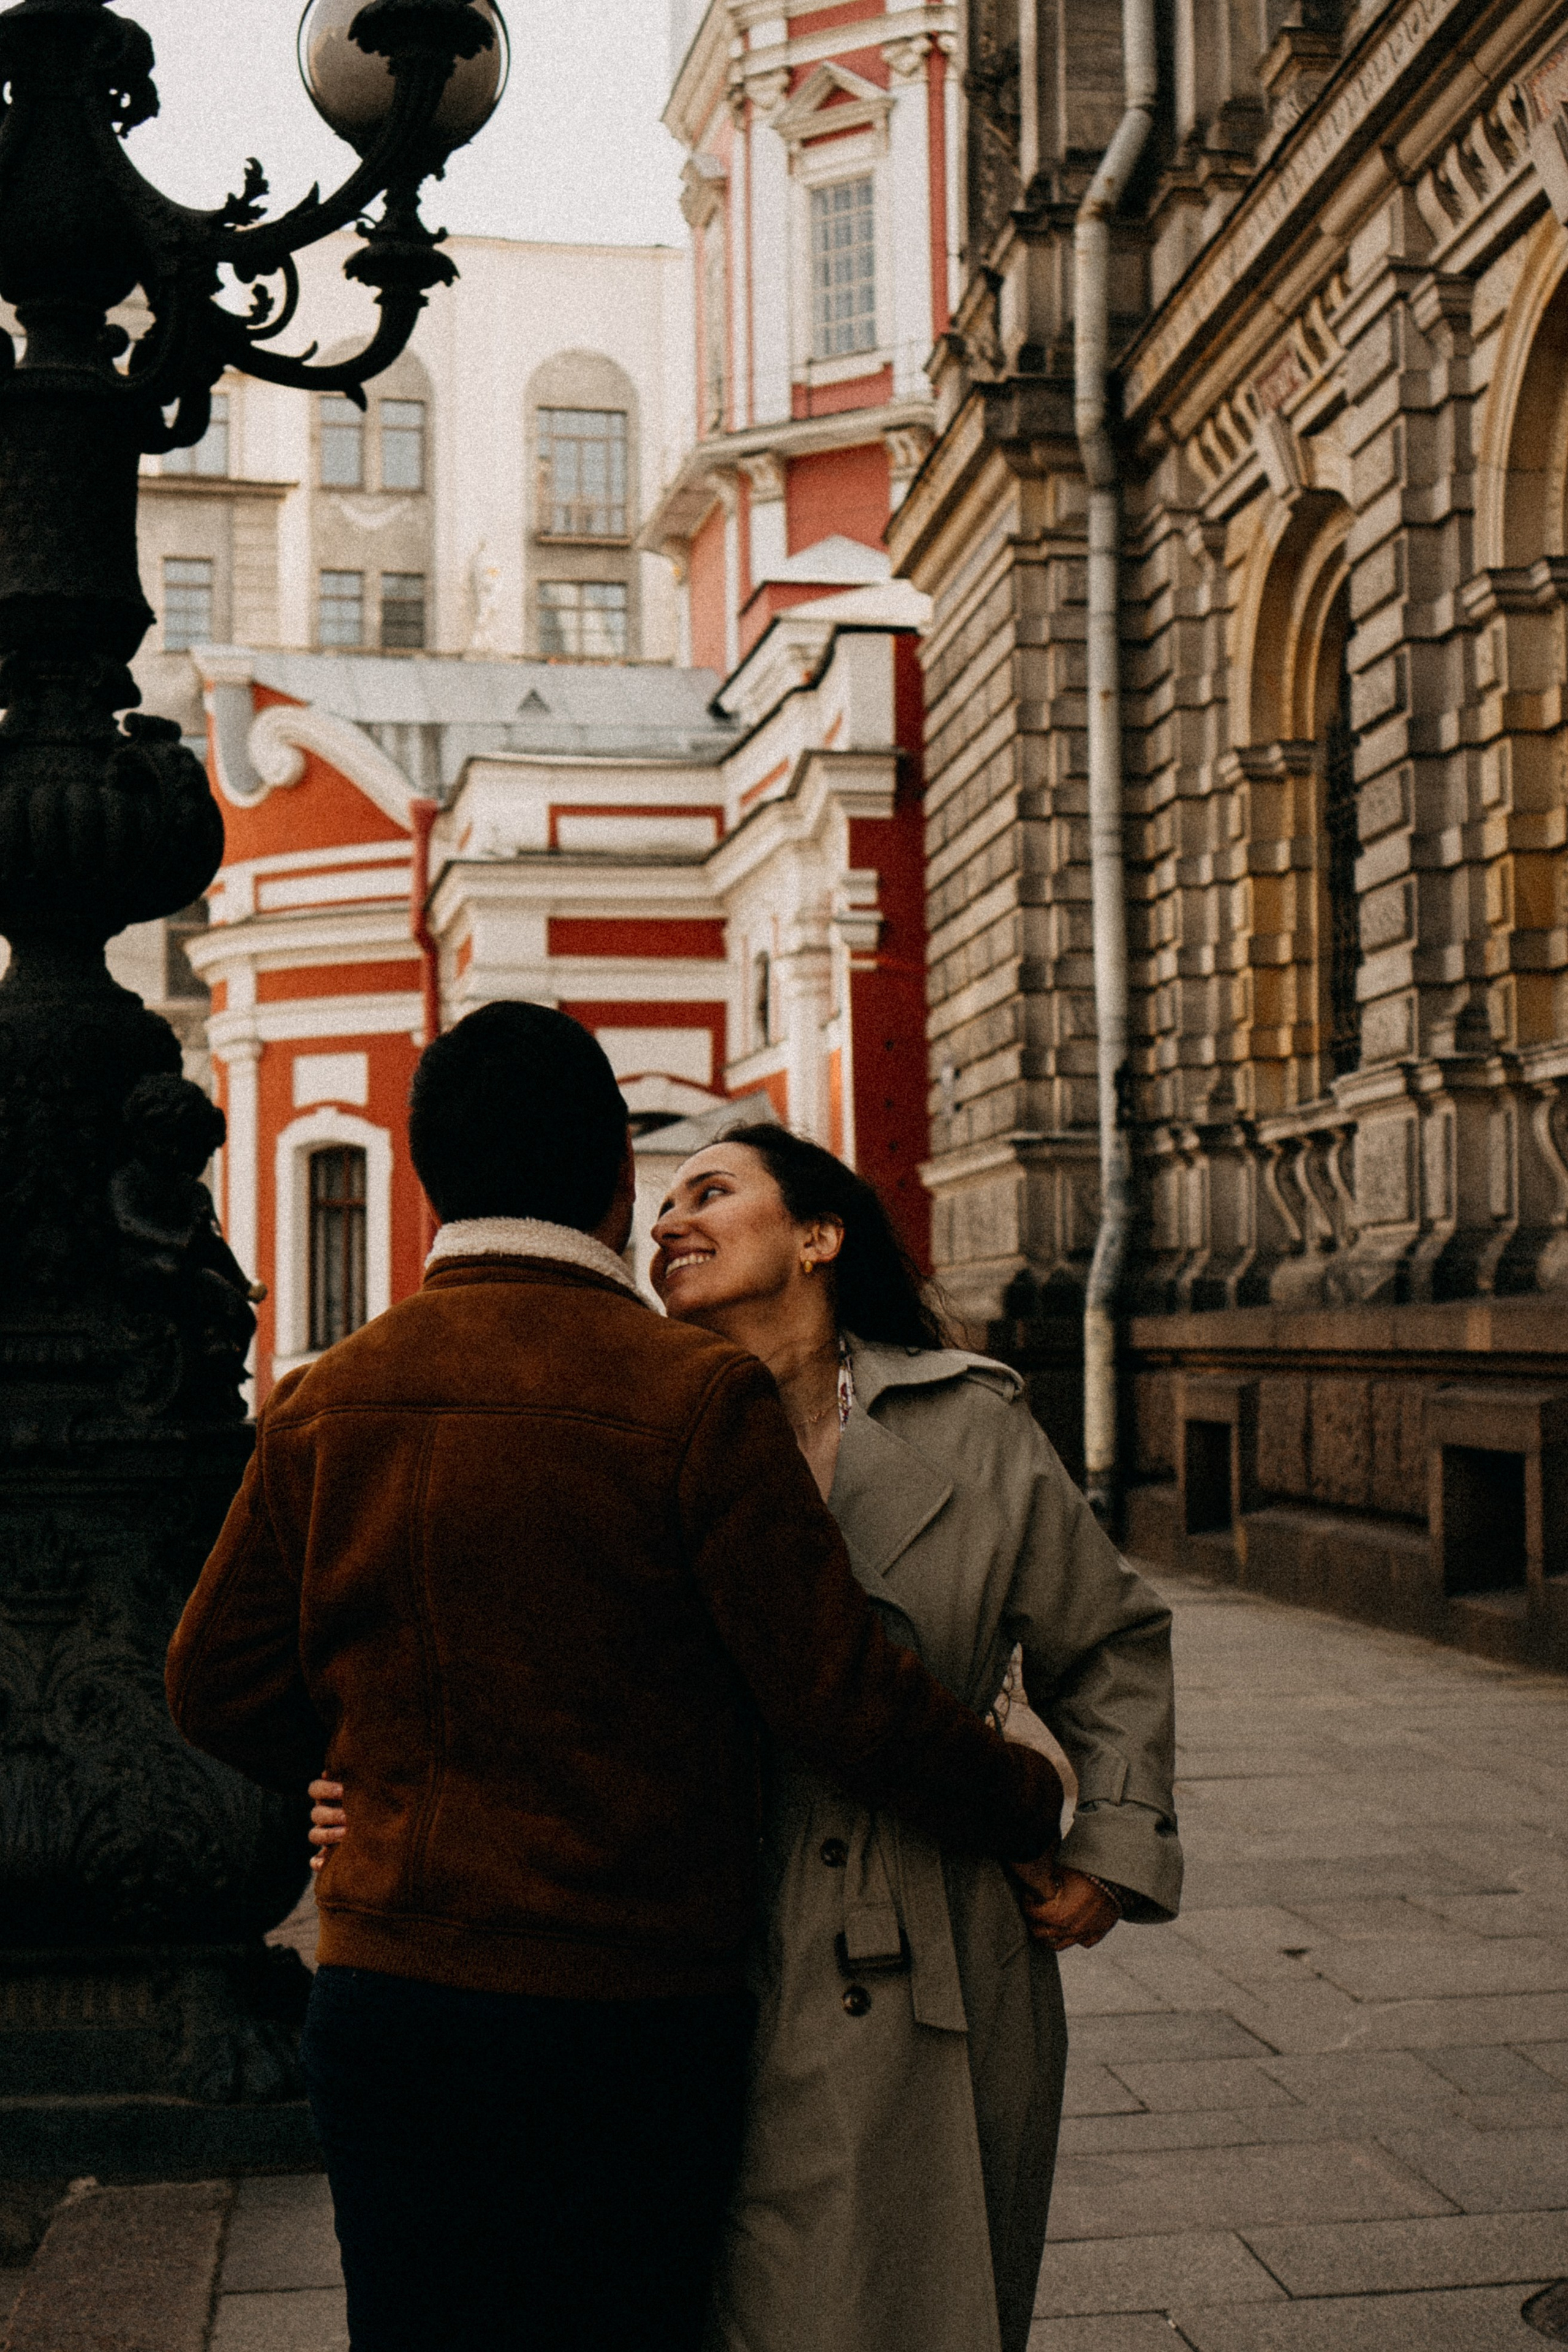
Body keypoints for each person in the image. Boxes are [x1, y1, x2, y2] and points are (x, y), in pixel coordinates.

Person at [165, 1003, 1066, 2352]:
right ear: (615, 1182)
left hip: (391, 1993)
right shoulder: (689, 1396)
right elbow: (835, 1698)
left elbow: (211, 1684)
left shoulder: (325, 1398)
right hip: (626, 2009)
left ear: (426, 1181)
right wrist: (1026, 1802)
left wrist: (358, 1765)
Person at [311, 1118, 1183, 2352]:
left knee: (913, 2310)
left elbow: (1104, 1640)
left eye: (711, 1192)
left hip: (926, 1935)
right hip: (676, 1939)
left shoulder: (966, 1426)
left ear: (818, 1236)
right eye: (659, 1201)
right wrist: (360, 1776)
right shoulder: (619, 1427)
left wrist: (1114, 1838)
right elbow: (449, 1633)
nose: (668, 1221)